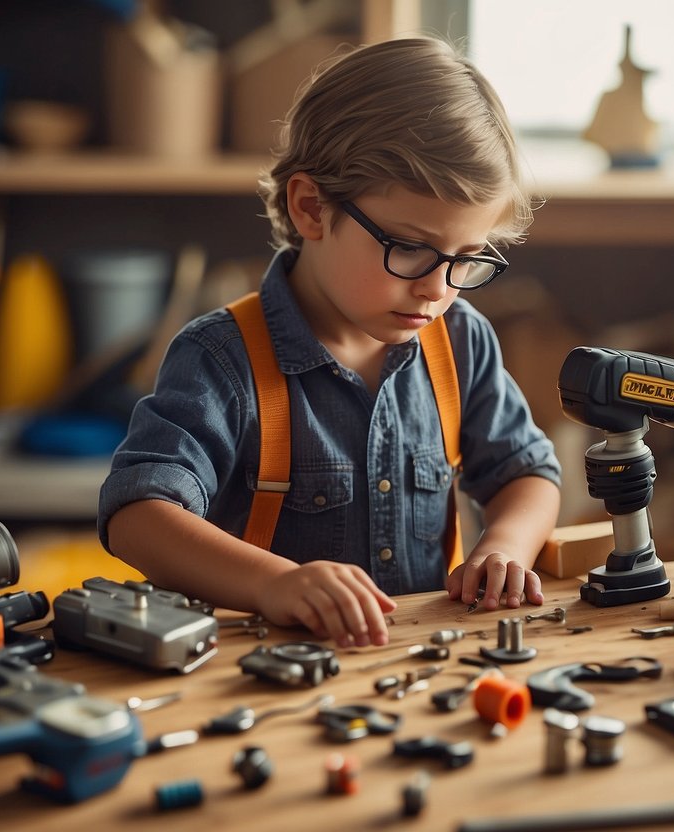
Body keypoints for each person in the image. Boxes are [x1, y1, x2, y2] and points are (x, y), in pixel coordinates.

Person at [99, 37, 562, 650]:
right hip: (268, 676)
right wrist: (277, 585)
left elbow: (527, 474)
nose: (435, 289)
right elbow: (137, 517)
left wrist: (504, 545)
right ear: (312, 207)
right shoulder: (221, 359)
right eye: (411, 248)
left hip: (419, 667)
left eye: (466, 259)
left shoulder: (459, 341)